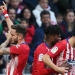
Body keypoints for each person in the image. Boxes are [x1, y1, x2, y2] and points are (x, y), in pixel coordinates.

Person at [0, 2, 30, 75]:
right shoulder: (20, 44)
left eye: (12, 35)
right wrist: (6, 14)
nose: (11, 36)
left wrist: (7, 40)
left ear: (19, 36)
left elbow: (0, 50)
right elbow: (11, 28)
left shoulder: (22, 47)